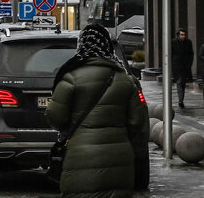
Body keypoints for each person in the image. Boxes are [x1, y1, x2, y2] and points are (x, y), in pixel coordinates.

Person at [46, 24, 147, 198]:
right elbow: (138, 121)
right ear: (107, 45)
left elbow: (56, 118)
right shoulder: (126, 79)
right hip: (120, 161)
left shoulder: (71, 78)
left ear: (81, 45)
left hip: (80, 160)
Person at [170, 28, 193, 109]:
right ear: (178, 35)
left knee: (182, 84)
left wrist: (189, 64)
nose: (183, 36)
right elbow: (171, 54)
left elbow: (191, 54)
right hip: (176, 66)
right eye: (181, 35)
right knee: (179, 83)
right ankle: (180, 100)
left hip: (185, 66)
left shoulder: (188, 42)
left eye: (184, 35)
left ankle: (181, 100)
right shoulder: (173, 42)